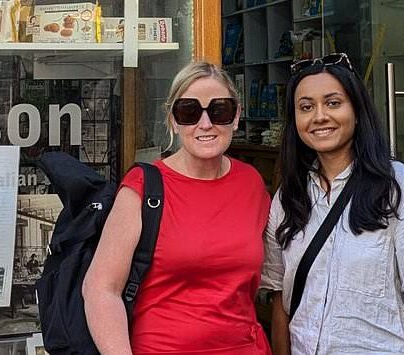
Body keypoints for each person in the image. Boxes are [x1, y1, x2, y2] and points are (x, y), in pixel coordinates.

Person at [262, 53, 404, 355]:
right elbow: (281, 300)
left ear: (357, 110)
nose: (319, 116)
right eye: (306, 107)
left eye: (333, 103)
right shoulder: (289, 197)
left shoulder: (401, 189)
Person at [83, 61, 272, 355]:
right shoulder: (144, 188)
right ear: (172, 120)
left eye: (219, 110)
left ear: (236, 117)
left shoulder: (252, 184)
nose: (205, 124)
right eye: (189, 112)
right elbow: (101, 289)